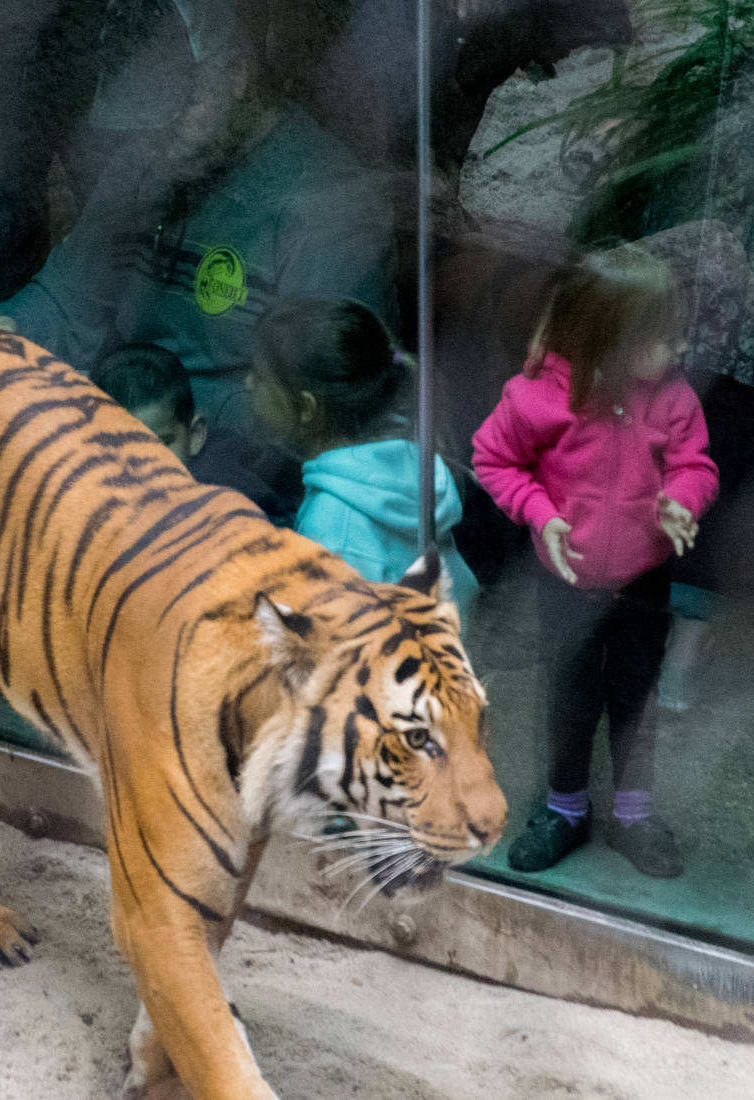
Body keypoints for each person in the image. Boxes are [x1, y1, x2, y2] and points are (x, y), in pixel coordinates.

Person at [0, 35, 392, 433]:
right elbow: (64, 302)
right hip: (122, 416)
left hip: (221, 460)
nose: (155, 135)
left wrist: (147, 406)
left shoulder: (327, 208)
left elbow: (313, 414)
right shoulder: (150, 157)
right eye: (145, 114)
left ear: (234, 76)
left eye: (173, 109)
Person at [472, 246, 719, 879]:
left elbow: (696, 464)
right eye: (662, 339)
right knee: (570, 697)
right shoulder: (536, 396)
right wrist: (539, 512)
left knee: (636, 698)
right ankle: (565, 808)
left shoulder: (672, 398)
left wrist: (681, 502)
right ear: (604, 340)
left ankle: (634, 814)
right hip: (567, 578)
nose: (678, 351)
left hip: (644, 578)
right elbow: (493, 458)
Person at [247, 298, 478, 622]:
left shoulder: (331, 528)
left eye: (259, 377)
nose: (247, 383)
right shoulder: (408, 461)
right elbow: (462, 588)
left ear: (306, 408)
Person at [91, 341, 302, 524]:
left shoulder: (229, 504)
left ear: (195, 436)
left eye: (162, 444)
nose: (145, 467)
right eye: (121, 447)